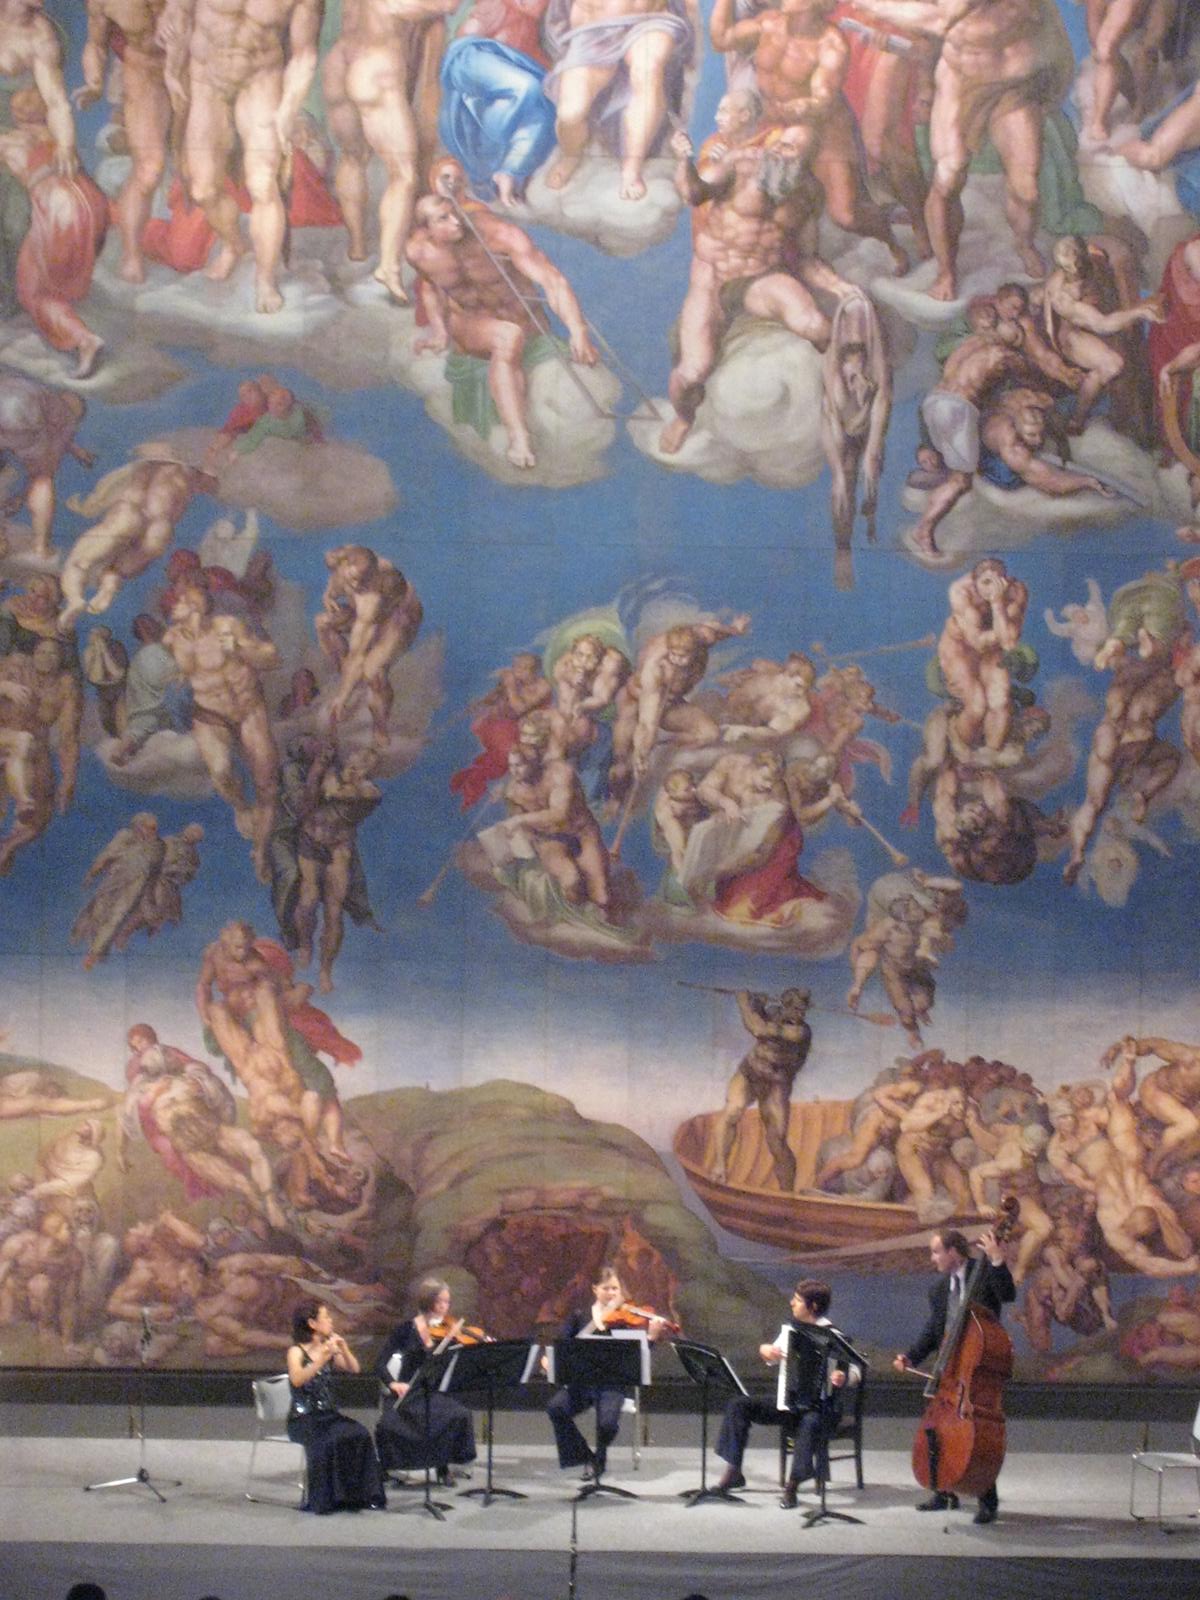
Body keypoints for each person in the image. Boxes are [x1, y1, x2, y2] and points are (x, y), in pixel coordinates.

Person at [405, 191, 598, 470]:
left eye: (454, 212)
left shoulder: (499, 235)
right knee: (507, 336)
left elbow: (552, 281)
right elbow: (430, 287)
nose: (456, 221)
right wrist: (439, 331)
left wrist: (577, 330)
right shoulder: (418, 252)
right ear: (426, 229)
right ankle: (519, 437)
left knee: (515, 334)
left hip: (524, 323)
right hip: (472, 326)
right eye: (443, 219)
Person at [158, 0, 324, 313]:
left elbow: (304, 54)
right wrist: (171, 62)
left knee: (264, 183)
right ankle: (234, 244)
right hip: (206, 79)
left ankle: (265, 279)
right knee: (203, 188)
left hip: (260, 78)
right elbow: (175, 14)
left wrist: (288, 109)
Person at [322, 0, 456, 303]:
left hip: (339, 61)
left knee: (352, 157)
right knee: (404, 175)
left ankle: (357, 248)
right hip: (376, 67)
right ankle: (388, 267)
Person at [892, 1225, 1015, 1523]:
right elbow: (934, 1331)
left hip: (973, 1369)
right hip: (949, 1370)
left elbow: (1008, 1294)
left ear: (953, 1252)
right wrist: (911, 1356)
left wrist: (997, 1260)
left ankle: (986, 1499)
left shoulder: (982, 1272)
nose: (932, 1258)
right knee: (940, 1429)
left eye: (936, 1252)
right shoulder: (938, 1291)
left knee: (976, 1434)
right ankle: (944, 1489)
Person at [714, 1277, 859, 1506]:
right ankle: (734, 1471)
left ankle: (793, 1485)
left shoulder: (834, 1335)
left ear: (813, 1306)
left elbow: (855, 1370)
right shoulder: (792, 1330)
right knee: (739, 1404)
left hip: (823, 1409)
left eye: (797, 1300)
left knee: (810, 1422)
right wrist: (766, 1350)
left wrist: (843, 1376)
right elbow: (772, 1356)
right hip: (790, 1403)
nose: (792, 1303)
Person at [546, 1263, 668, 1476]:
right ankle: (585, 1456)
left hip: (612, 1385)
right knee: (556, 1408)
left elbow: (637, 1356)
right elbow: (562, 1345)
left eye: (615, 1289)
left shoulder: (624, 1320)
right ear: (595, 1289)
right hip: (582, 1384)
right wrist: (549, 1359)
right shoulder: (579, 1316)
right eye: (606, 1288)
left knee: (607, 1424)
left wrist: (651, 1337)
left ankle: (600, 1457)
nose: (611, 1293)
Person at [286, 1299, 386, 1513]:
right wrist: (321, 1359)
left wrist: (343, 1348)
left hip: (327, 1414)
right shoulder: (296, 1351)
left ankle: (359, 1495)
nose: (331, 1321)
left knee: (359, 1433)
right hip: (303, 1418)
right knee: (325, 1440)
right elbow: (297, 1379)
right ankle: (326, 1499)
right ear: (312, 1324)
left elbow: (354, 1368)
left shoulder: (327, 1348)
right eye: (326, 1317)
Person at [373, 1277, 478, 1482]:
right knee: (396, 1423)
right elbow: (380, 1363)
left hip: (432, 1392)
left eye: (447, 1302)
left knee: (459, 1414)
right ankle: (400, 1465)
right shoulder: (406, 1330)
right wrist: (393, 1383)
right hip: (408, 1393)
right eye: (440, 1301)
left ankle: (443, 1464)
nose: (445, 1307)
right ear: (428, 1301)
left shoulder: (447, 1332)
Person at [712, 987, 812, 1188]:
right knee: (732, 1110)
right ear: (784, 1006)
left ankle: (787, 1194)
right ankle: (720, 1166)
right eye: (795, 1008)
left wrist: (743, 1002)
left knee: (777, 1141)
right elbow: (762, 1018)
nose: (800, 1014)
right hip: (750, 1073)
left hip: (776, 1084)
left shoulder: (799, 1032)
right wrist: (757, 1004)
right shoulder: (774, 1014)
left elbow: (758, 1029)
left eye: (803, 1009)